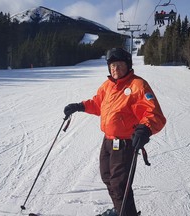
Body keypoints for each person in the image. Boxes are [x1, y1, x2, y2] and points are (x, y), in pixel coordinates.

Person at [63, 48, 166, 216]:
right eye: (112, 66)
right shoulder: (108, 86)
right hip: (108, 141)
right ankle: (121, 210)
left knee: (120, 185)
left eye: (119, 65)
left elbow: (154, 114)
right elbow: (97, 104)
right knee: (107, 177)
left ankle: (126, 213)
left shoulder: (137, 85)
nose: (115, 69)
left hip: (125, 143)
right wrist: (79, 106)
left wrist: (145, 128)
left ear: (128, 66)